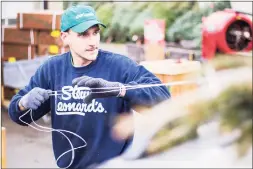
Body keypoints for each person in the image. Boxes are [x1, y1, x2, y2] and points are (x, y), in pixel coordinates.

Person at [8, 5, 170, 169]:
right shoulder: (52, 69)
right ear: (65, 37)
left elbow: (163, 96)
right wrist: (24, 102)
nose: (93, 41)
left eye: (96, 32)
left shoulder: (120, 66)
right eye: (83, 35)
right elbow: (17, 115)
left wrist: (119, 89)